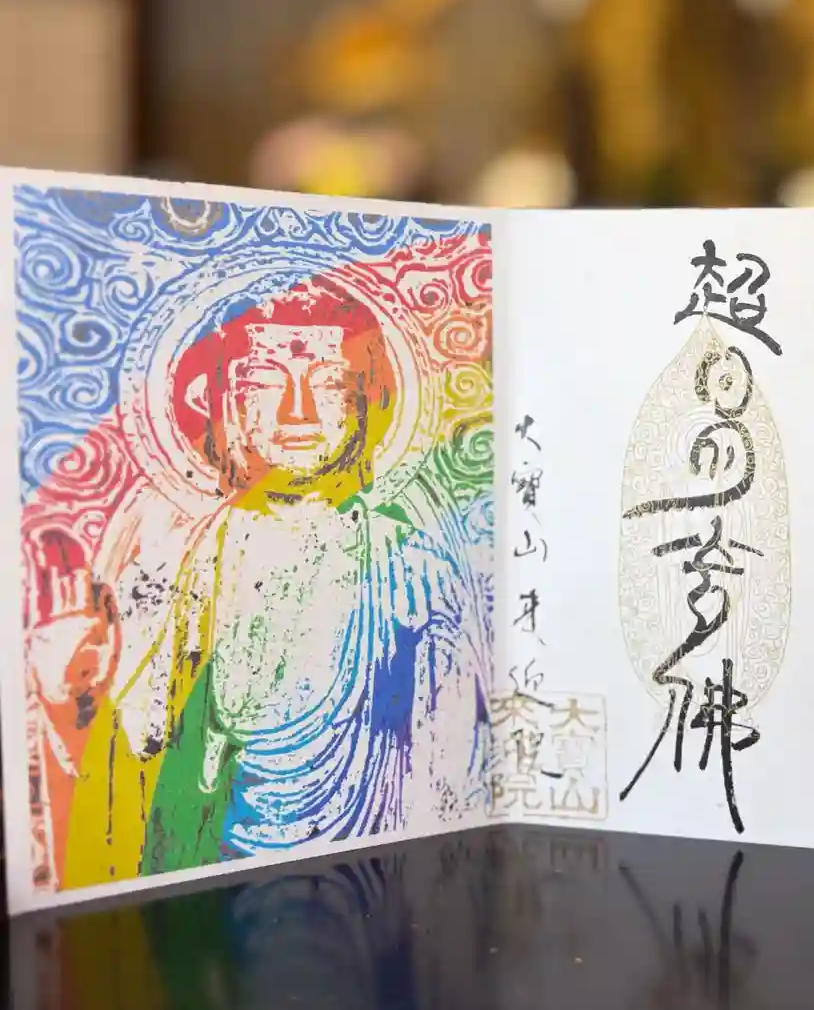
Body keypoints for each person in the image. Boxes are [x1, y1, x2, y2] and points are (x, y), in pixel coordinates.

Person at [27, 275, 490, 888]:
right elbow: (131, 763)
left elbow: (448, 776)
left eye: (326, 384)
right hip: (208, 890)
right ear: (227, 403)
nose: (297, 410)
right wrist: (69, 699)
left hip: (373, 887)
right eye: (266, 382)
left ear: (364, 400)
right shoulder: (179, 561)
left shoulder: (413, 570)